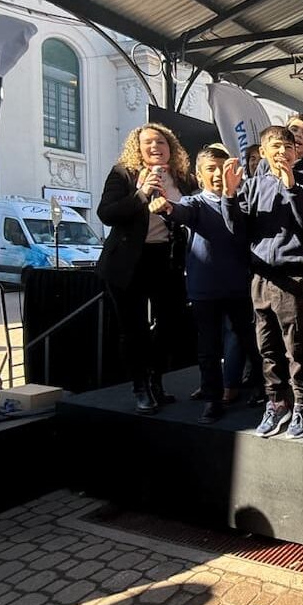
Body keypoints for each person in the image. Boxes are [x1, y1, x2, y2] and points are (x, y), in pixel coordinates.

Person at [221, 125, 303, 439]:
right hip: (261, 278)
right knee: (267, 349)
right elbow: (238, 230)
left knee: (298, 349)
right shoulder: (252, 185)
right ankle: (276, 402)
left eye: (288, 146)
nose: (283, 151)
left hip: (293, 278)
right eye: (276, 146)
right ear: (262, 152)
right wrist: (228, 195)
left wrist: (291, 187)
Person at [96, 123, 197, 414]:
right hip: (127, 263)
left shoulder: (184, 179)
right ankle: (140, 387)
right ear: (137, 149)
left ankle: (156, 380)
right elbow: (106, 213)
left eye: (161, 142)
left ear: (171, 147)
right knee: (134, 329)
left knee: (171, 324)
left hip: (166, 260)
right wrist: (141, 194)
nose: (155, 147)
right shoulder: (122, 173)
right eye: (147, 143)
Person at [155, 145, 256, 424]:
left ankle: (261, 390)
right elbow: (178, 212)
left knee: (249, 341)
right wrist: (165, 206)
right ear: (199, 175)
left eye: (222, 169)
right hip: (205, 290)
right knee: (208, 348)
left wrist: (231, 195)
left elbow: (239, 227)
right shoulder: (194, 203)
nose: (217, 175)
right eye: (210, 169)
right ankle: (212, 399)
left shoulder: (241, 201)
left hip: (238, 287)